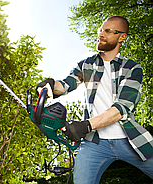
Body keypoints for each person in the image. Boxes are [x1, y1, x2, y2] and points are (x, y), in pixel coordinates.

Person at [36, 16, 153, 184]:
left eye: (108, 31)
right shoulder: (87, 65)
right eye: (100, 30)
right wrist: (50, 86)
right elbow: (66, 84)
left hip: (131, 139)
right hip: (94, 143)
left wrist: (86, 125)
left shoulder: (132, 68)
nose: (101, 34)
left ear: (122, 37)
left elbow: (122, 107)